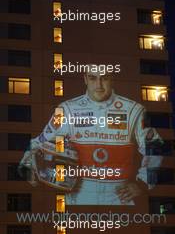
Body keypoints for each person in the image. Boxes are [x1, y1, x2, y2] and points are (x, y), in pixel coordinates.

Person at [19, 65, 163, 205]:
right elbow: (41, 142)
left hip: (119, 198)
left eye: (104, 78)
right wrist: (26, 166)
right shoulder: (66, 109)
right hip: (78, 197)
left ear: (112, 79)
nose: (99, 85)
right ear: (85, 79)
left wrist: (143, 182)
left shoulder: (134, 110)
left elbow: (155, 146)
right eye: (93, 78)